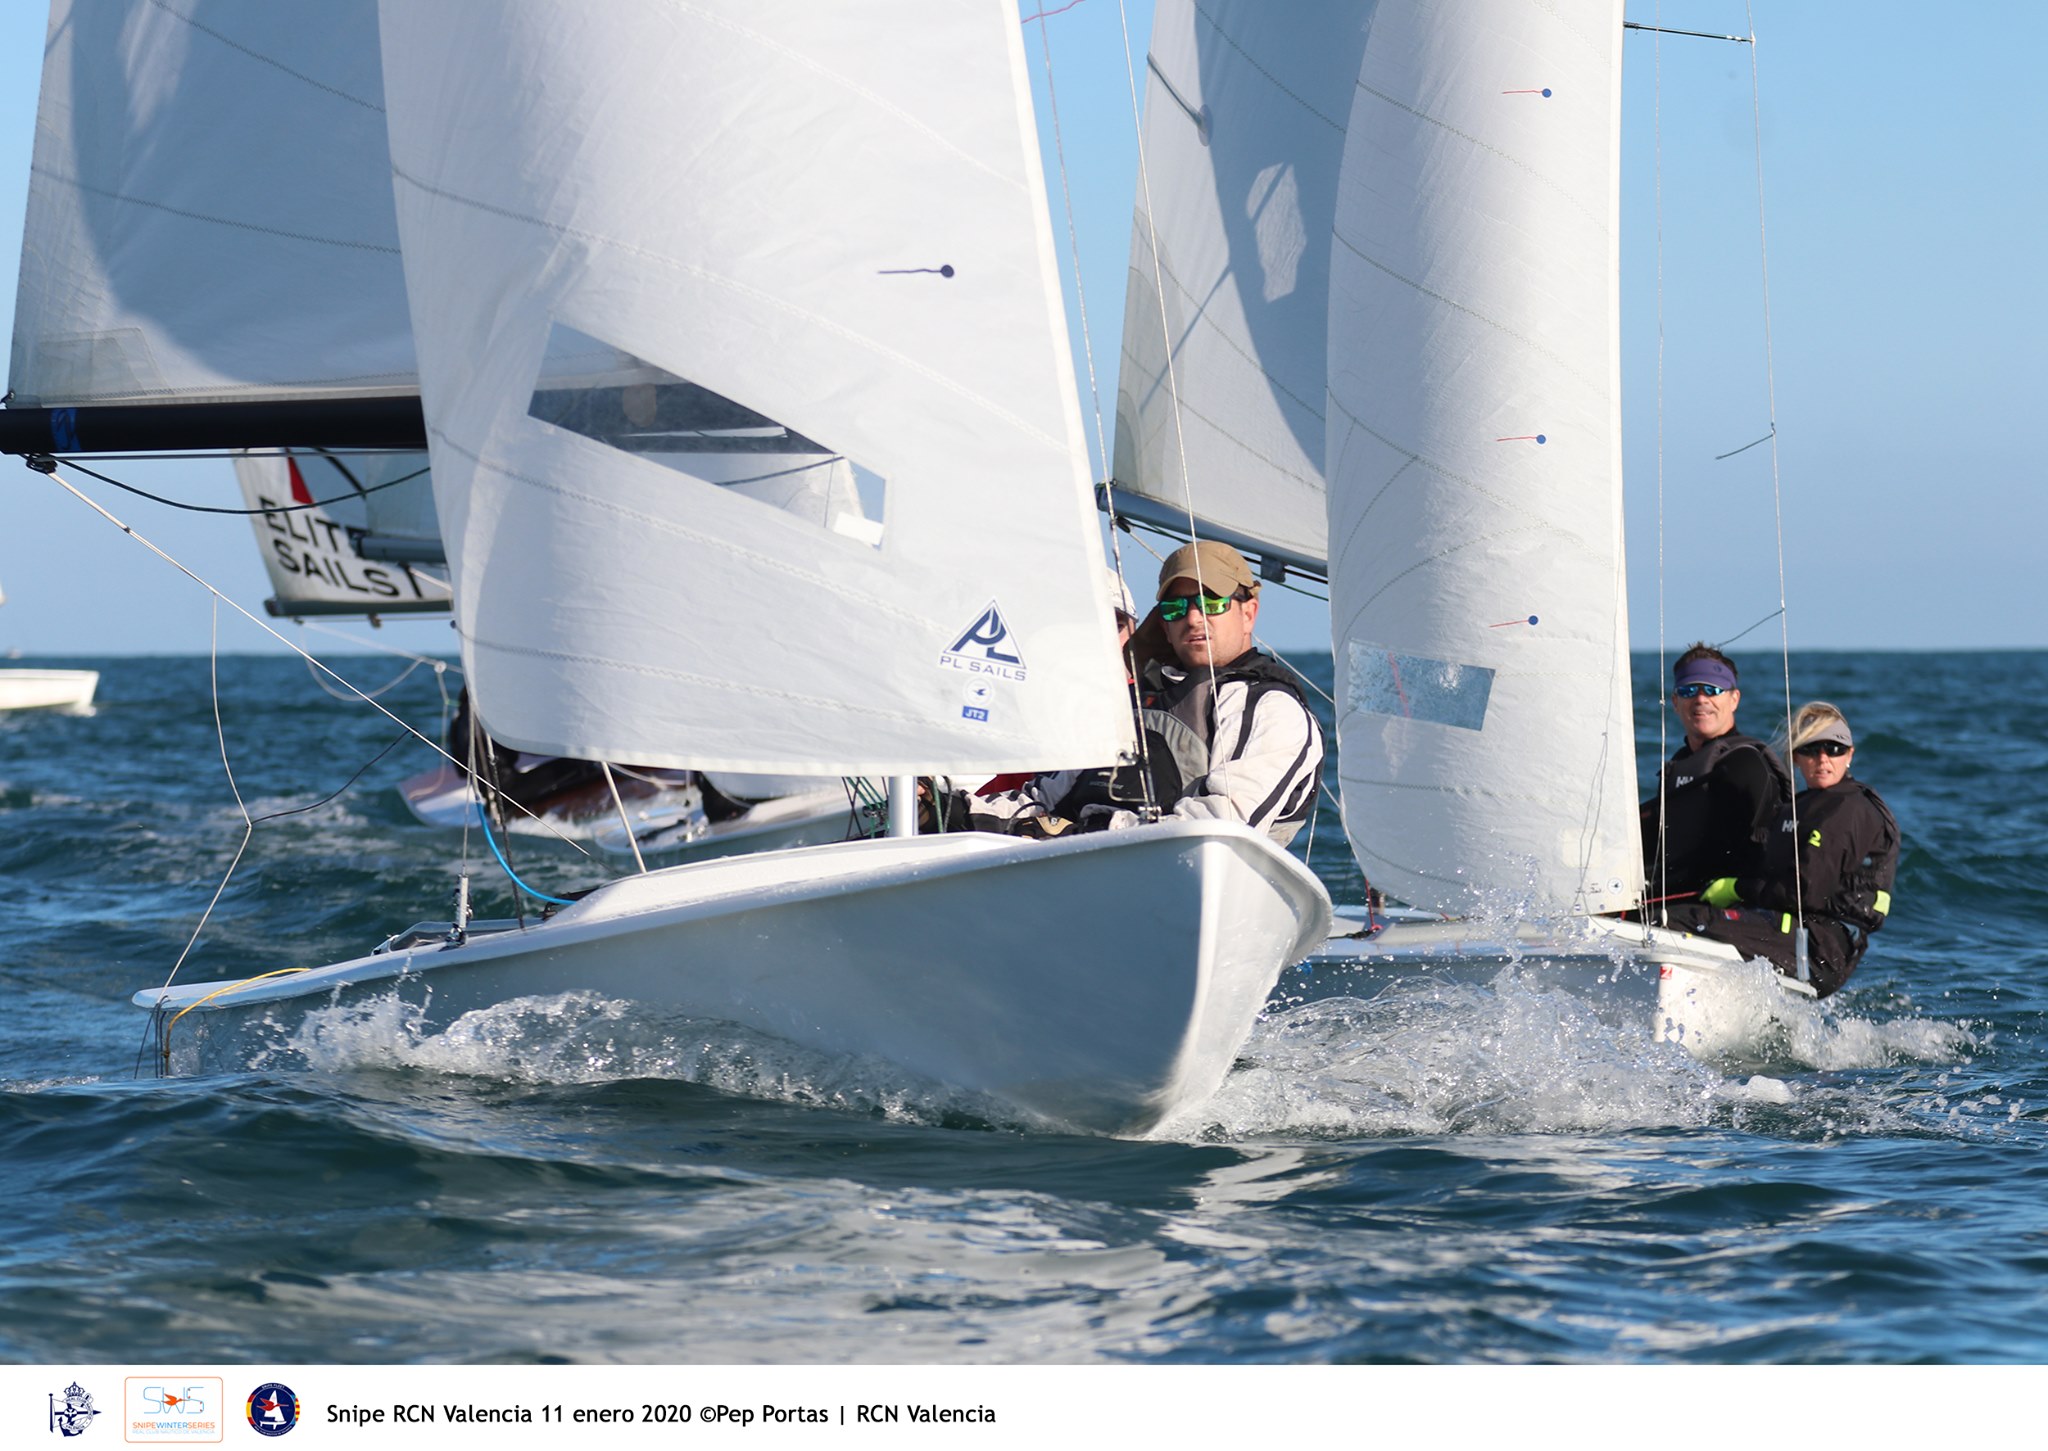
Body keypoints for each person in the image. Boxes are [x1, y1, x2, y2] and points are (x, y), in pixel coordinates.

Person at [1665, 702, 1900, 997]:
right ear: (1796, 757)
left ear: (1849, 755)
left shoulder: (1848, 809)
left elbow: (1805, 891)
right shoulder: (1799, 806)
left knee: (1678, 921)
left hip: (1819, 947)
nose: (1823, 759)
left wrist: (1737, 888)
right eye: (1811, 749)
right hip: (1788, 930)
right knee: (1667, 913)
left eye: (1834, 749)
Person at [1107, 540, 1323, 845]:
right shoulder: (1130, 702)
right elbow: (1053, 792)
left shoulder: (1272, 709)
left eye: (1211, 603)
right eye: (1175, 608)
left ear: (1248, 614)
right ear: (1165, 628)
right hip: (1089, 857)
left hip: (1178, 863)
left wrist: (1099, 830)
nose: (1193, 618)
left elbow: (1223, 823)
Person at [1641, 644, 1790, 906]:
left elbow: (1763, 851)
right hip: (1674, 900)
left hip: (1726, 907)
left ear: (1734, 699)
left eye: (1712, 689)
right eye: (1689, 691)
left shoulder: (1746, 764)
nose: (1701, 699)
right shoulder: (1680, 765)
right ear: (1675, 702)